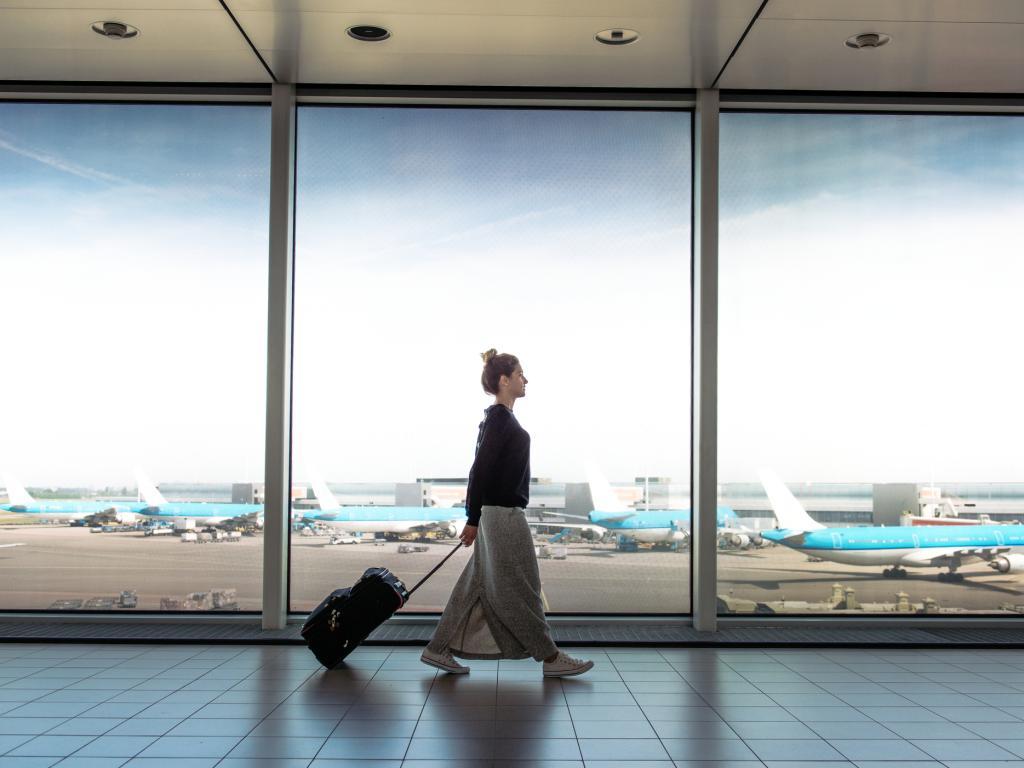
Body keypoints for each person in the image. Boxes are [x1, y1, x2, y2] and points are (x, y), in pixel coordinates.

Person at [421, 349, 593, 677]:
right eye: (520, 374)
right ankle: (550, 657)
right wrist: (472, 519)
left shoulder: (502, 419)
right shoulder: (499, 419)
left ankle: (436, 648)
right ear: (504, 380)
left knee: (475, 585)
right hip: (502, 515)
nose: (525, 380)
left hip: (498, 513)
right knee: (522, 585)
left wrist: (476, 517)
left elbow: (483, 471)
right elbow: (480, 470)